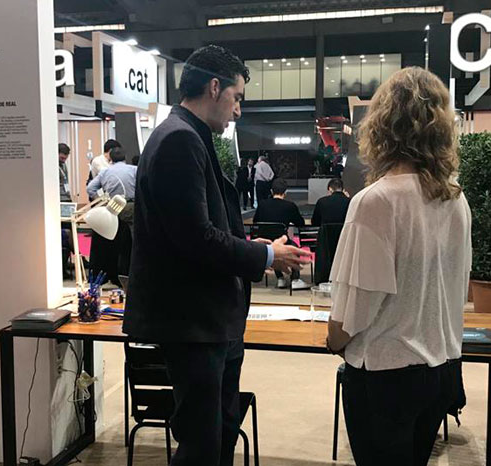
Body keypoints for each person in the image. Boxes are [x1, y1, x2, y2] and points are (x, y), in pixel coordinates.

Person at [123, 45, 311, 466]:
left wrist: (258, 249)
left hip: (210, 323)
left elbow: (206, 229)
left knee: (219, 436)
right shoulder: (178, 140)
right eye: (237, 97)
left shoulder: (189, 136)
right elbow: (197, 239)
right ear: (214, 87)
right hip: (193, 324)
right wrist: (265, 257)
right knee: (201, 445)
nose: (239, 110)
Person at [326, 67, 470, 466]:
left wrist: (334, 338)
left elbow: (355, 308)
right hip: (439, 367)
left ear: (382, 126)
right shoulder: (455, 199)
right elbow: (458, 286)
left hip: (385, 375)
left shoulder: (376, 201)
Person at [86, 146, 136, 282]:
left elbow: (90, 188)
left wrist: (101, 200)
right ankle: (127, 275)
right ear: (125, 158)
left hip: (112, 209)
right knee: (130, 243)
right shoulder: (134, 170)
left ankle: (111, 274)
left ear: (110, 159)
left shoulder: (105, 172)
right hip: (131, 207)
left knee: (112, 240)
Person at [253, 178, 310, 289]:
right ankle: (295, 279)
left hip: (265, 242)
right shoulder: (290, 206)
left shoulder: (262, 204)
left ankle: (280, 278)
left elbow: (256, 221)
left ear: (271, 191)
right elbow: (300, 223)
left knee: (274, 248)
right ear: (285, 192)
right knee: (294, 247)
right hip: (282, 241)